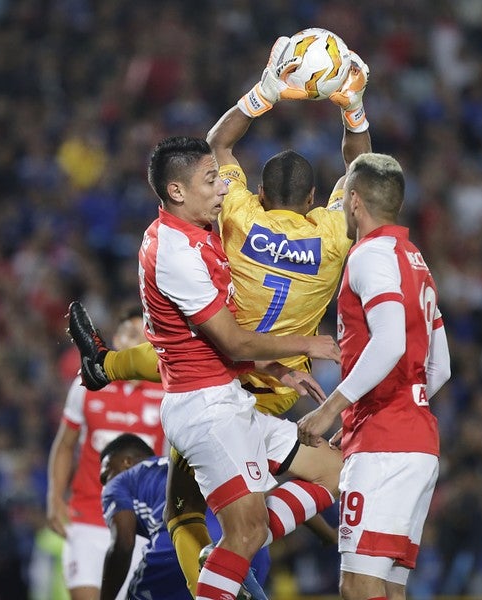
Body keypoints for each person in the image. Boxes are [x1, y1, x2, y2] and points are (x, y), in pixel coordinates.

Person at [69, 37, 371, 593]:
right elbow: (362, 173)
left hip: (231, 381)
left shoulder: (234, 217)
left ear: (258, 192)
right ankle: (224, 572)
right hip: (234, 388)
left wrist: (264, 93)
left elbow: (218, 144)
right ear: (313, 199)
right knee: (241, 526)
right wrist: (353, 108)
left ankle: (105, 367)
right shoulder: (331, 236)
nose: (215, 188)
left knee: (192, 512)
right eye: (208, 182)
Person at [296, 152, 451, 600]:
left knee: (358, 586)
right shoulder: (414, 260)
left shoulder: (368, 256)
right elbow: (439, 366)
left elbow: (389, 343)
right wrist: (373, 409)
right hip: (417, 441)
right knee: (388, 588)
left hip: (385, 446)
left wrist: (330, 411)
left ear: (354, 201)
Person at [99, 433, 338, 600]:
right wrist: (327, 534)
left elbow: (123, 544)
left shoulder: (120, 483)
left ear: (126, 462)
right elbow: (270, 493)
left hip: (180, 550)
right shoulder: (197, 458)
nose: (103, 482)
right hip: (249, 548)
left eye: (105, 473)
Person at [47, 306, 168, 600]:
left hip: (140, 525)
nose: (136, 341)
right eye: (129, 333)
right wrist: (54, 496)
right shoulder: (87, 384)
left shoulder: (167, 391)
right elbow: (65, 445)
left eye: (143, 336)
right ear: (116, 339)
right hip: (87, 516)